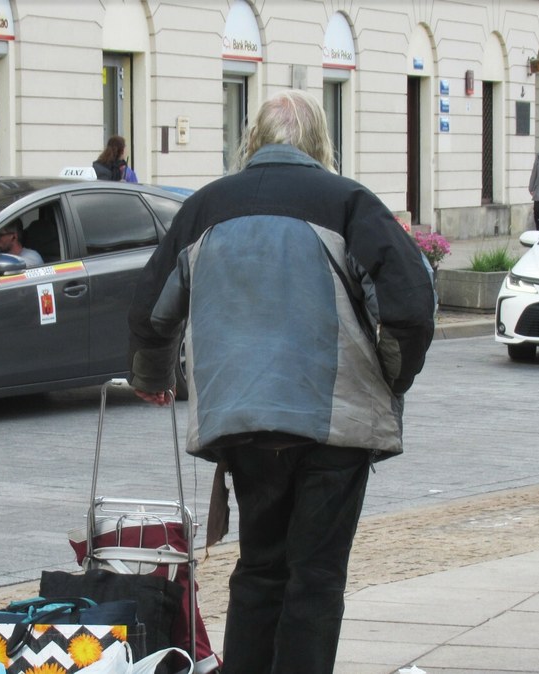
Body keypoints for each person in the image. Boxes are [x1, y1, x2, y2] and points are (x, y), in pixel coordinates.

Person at [127, 90, 435, 674]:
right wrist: (394, 377)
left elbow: (150, 309)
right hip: (334, 426)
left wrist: (152, 375)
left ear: (252, 140)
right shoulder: (349, 202)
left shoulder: (204, 208)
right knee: (315, 578)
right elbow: (410, 307)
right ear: (320, 142)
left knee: (261, 568)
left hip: (244, 422)